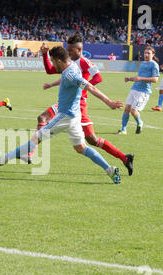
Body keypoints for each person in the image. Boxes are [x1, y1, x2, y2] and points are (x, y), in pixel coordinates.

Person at [0, 46, 123, 184]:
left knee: (36, 138)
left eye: (53, 61)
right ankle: (110, 170)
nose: (53, 65)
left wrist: (109, 102)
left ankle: (3, 158)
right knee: (81, 148)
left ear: (59, 61)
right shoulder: (71, 66)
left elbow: (90, 86)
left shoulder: (70, 74)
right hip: (74, 115)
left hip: (66, 115)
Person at [36, 34, 134, 175]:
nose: (68, 53)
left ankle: (124, 158)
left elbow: (98, 78)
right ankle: (125, 158)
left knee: (91, 140)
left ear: (79, 49)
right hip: (69, 103)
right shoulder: (67, 62)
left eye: (70, 50)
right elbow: (50, 70)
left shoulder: (84, 62)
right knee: (43, 118)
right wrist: (45, 55)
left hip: (77, 105)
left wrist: (81, 88)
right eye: (67, 50)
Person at [117, 46, 159, 135]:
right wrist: (129, 79)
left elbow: (155, 79)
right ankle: (123, 129)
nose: (146, 55)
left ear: (153, 54)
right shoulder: (143, 63)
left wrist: (140, 78)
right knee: (127, 108)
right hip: (134, 88)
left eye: (148, 53)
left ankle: (140, 122)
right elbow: (138, 77)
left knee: (133, 110)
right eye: (145, 53)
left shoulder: (154, 65)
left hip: (143, 91)